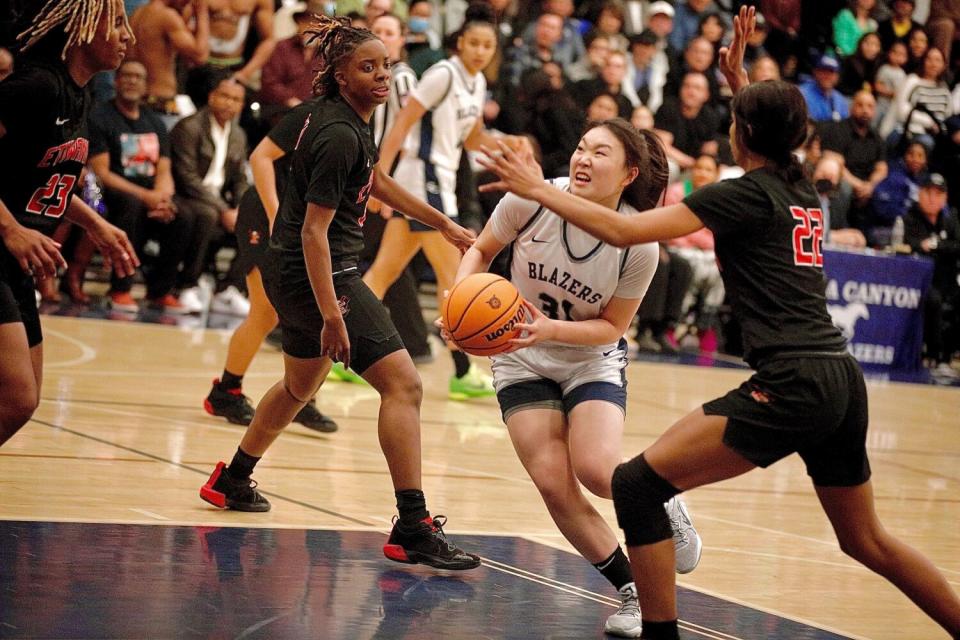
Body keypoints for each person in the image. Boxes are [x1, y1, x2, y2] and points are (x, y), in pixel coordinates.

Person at [476, 9, 960, 639]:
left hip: (789, 381)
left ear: (741, 135)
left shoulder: (739, 193)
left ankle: (658, 630)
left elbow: (622, 227)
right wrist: (739, 85)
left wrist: (537, 188)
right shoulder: (798, 184)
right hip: (841, 380)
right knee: (866, 539)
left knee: (636, 484)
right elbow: (768, 138)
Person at [198, 14, 482, 571]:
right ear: (340, 75)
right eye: (366, 67)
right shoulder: (337, 132)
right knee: (404, 385)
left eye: (385, 66)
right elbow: (314, 231)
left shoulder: (342, 119)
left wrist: (439, 220)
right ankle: (412, 526)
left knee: (299, 385)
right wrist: (332, 314)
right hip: (321, 275)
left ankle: (232, 478)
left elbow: (373, 178)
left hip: (296, 273)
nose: (381, 76)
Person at [450, 118, 701, 638]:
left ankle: (662, 498)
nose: (583, 158)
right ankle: (633, 592)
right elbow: (479, 250)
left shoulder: (640, 244)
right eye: (581, 147)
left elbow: (612, 326)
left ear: (630, 173)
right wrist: (459, 301)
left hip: (589, 356)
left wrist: (547, 329)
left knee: (594, 468)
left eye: (600, 153)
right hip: (521, 356)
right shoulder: (531, 199)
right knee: (552, 482)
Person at [361, 6, 529, 400]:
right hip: (423, 181)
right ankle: (462, 367)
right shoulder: (443, 74)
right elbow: (402, 122)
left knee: (384, 273)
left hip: (443, 181)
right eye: (474, 43)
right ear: (459, 43)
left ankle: (343, 354)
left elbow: (472, 140)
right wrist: (377, 178)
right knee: (454, 276)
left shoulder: (476, 84)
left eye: (488, 45)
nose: (480, 51)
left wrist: (508, 144)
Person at [0, 0, 139, 446]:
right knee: (17, 399)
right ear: (81, 28)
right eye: (116, 23)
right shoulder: (36, 85)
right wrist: (10, 229)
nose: (127, 36)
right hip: (3, 243)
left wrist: (94, 224)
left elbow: (47, 176)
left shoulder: (79, 95)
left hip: (17, 259)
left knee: (26, 400)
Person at [202, 98, 338, 433]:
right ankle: (226, 391)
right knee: (265, 312)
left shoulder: (363, 123)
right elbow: (260, 156)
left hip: (308, 221)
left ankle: (303, 397)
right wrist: (276, 213)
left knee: (315, 312)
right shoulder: (311, 113)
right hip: (266, 212)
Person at [88, 59, 191, 314]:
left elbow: (164, 169)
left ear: (146, 85)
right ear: (116, 81)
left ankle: (160, 291)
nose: (132, 81)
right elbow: (101, 173)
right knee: (130, 205)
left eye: (138, 77)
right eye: (127, 75)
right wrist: (146, 196)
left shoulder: (154, 122)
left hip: (149, 194)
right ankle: (120, 289)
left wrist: (163, 198)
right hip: (109, 193)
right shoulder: (100, 116)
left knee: (185, 215)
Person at [171, 73, 251, 315]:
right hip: (186, 197)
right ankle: (187, 285)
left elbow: (239, 179)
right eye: (224, 96)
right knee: (207, 214)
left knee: (259, 218)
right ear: (211, 97)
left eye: (236, 100)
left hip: (218, 202)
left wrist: (242, 206)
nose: (229, 103)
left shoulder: (238, 135)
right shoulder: (189, 127)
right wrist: (223, 209)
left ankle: (228, 290)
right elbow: (187, 178)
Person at [903, 173, 960, 377]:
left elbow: (957, 246)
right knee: (933, 300)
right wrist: (938, 247)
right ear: (920, 194)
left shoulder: (950, 218)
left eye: (939, 194)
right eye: (929, 192)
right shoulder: (909, 217)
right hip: (921, 282)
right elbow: (909, 245)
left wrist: (935, 245)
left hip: (949, 281)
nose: (933, 198)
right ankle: (934, 355)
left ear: (945, 198)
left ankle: (947, 355)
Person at [128, 0, 210, 128]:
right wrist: (202, 13)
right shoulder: (167, 16)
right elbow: (200, 56)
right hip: (161, 102)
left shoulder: (137, 14)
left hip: (136, 100)